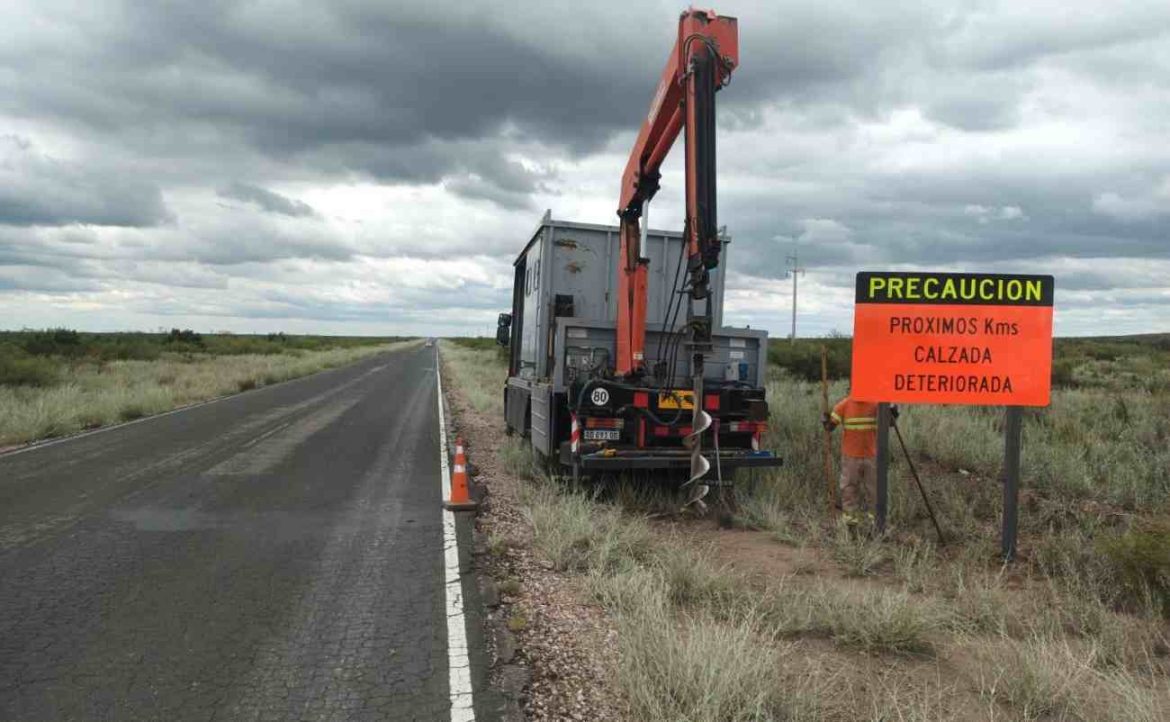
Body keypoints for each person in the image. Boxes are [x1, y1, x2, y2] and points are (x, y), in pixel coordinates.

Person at [822, 394, 896, 523]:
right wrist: (826, 420)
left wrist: (893, 412)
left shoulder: (876, 404)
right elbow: (830, 427)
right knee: (849, 489)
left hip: (871, 456)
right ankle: (851, 525)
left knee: (874, 491)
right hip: (850, 457)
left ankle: (876, 524)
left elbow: (889, 424)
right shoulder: (844, 405)